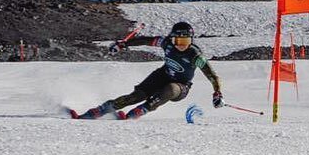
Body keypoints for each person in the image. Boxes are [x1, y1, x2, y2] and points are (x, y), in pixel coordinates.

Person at [71, 21, 223, 120]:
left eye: (186, 41)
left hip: (181, 87)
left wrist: (217, 92)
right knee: (135, 96)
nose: (182, 45)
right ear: (172, 39)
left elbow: (212, 76)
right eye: (179, 41)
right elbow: (145, 40)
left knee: (170, 89)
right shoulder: (166, 43)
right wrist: (124, 45)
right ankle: (99, 111)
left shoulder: (195, 55)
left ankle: (142, 110)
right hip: (162, 75)